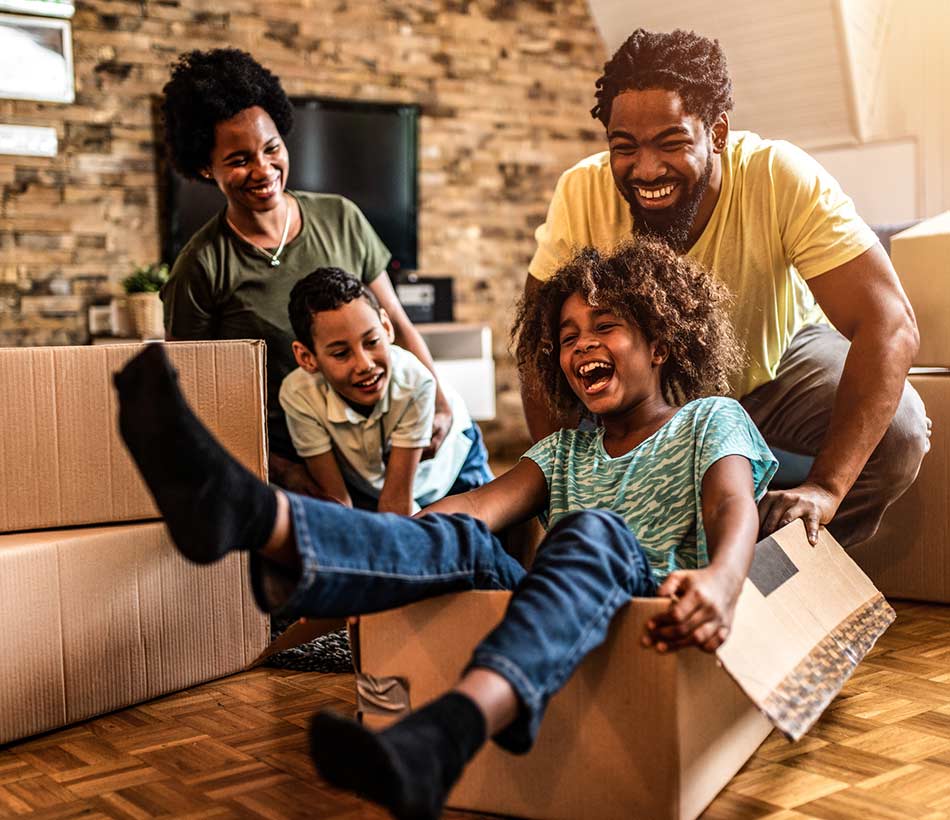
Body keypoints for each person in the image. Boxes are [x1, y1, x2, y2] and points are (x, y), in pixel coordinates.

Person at [114, 239, 777, 820]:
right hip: (555, 617)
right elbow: (462, 515)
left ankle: (448, 726)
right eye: (568, 337)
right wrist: (384, 557)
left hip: (661, 607)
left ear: (661, 342)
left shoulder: (708, 418)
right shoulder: (562, 452)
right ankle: (257, 517)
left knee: (592, 532)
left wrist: (722, 583)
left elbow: (731, 508)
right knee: (460, 538)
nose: (582, 347)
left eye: (605, 326)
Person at [523, 28, 929, 548]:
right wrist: (567, 480)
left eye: (671, 143)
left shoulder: (778, 175)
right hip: (646, 392)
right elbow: (536, 342)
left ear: (717, 133)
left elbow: (889, 323)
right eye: (624, 148)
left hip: (772, 369)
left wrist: (826, 489)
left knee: (900, 433)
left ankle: (786, 569)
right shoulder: (582, 189)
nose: (646, 169)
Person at [159, 48, 453, 496]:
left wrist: (441, 403)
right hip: (291, 454)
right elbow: (195, 397)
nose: (263, 169)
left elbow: (397, 320)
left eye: (271, 148)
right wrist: (284, 471)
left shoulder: (342, 218)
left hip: (382, 436)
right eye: (239, 160)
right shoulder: (201, 267)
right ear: (205, 167)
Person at [280, 267, 492, 514]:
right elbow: (336, 502)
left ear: (386, 327)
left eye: (372, 342)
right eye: (341, 353)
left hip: (451, 473)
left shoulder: (415, 384)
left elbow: (396, 504)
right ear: (306, 357)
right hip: (376, 484)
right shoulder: (298, 396)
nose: (365, 365)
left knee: (477, 539)